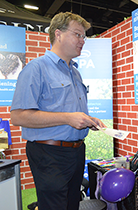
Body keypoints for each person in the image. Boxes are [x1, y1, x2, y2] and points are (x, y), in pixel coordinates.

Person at [10, 12, 106, 210]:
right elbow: (18, 116)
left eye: (84, 37)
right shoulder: (36, 68)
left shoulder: (75, 72)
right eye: (77, 35)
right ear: (58, 34)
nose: (82, 41)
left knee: (72, 205)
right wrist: (69, 118)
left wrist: (87, 120)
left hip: (77, 152)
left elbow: (69, 112)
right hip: (49, 154)